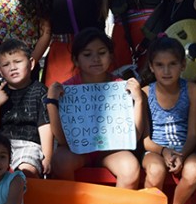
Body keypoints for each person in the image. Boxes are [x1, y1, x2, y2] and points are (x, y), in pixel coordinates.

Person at [46, 28, 145, 189]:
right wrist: (52, 102)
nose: (96, 59)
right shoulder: (67, 89)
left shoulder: (122, 87)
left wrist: (139, 100)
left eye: (101, 53)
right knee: (60, 161)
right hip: (77, 151)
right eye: (87, 55)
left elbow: (135, 135)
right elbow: (63, 140)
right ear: (76, 60)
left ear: (111, 56)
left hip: (111, 151)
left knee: (130, 168)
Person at [140, 36, 196, 204]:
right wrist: (165, 151)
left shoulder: (192, 90)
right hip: (156, 150)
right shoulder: (146, 93)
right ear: (151, 66)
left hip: (185, 148)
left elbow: (194, 133)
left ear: (183, 65)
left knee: (195, 170)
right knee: (156, 170)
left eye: (172, 64)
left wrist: (182, 154)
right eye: (160, 65)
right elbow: (145, 140)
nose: (166, 71)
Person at [0, 39, 53, 178]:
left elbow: (45, 125)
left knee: (26, 171)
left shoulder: (40, 91)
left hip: (29, 145)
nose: (13, 67)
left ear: (31, 63)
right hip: (1, 145)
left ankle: (27, 198)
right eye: (6, 64)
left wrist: (48, 157)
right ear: (0, 71)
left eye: (18, 62)